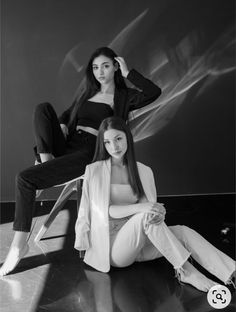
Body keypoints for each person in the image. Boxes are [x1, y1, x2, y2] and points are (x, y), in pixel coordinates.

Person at [0, 47, 162, 277]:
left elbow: (154, 91)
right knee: (43, 108)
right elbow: (65, 116)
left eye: (106, 66)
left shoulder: (124, 97)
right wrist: (64, 124)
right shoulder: (87, 94)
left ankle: (18, 245)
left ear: (115, 66)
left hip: (89, 151)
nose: (100, 72)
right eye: (95, 67)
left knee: (24, 179)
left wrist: (129, 73)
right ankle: (45, 161)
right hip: (68, 145)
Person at [74, 116, 235, 292]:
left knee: (183, 231)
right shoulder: (94, 170)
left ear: (127, 137)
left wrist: (157, 213)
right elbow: (104, 211)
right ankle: (187, 272)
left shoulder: (143, 170)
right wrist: (143, 209)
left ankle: (231, 272)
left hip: (141, 245)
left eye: (118, 139)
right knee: (144, 215)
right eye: (107, 142)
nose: (114, 147)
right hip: (112, 249)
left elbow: (149, 210)